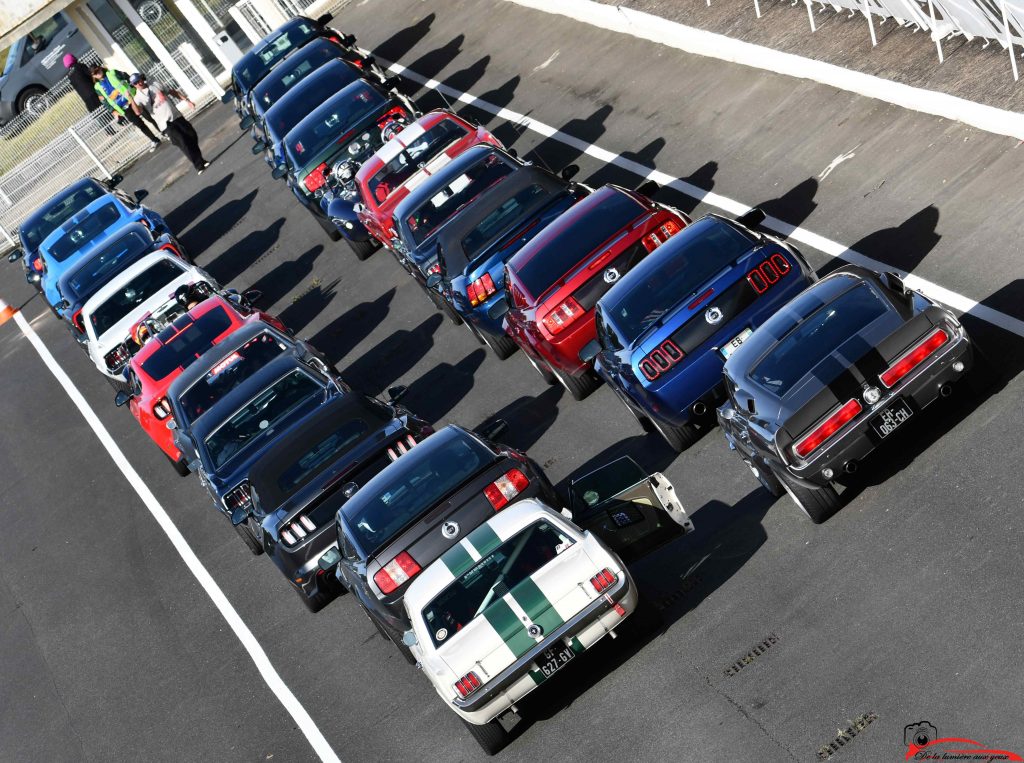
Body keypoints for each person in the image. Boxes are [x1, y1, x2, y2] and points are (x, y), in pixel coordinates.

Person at [130, 72, 210, 174]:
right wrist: (130, 98)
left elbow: (172, 92)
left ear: (142, 78)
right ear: (133, 85)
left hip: (176, 116)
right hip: (165, 124)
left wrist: (187, 100)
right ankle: (199, 166)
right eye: (135, 83)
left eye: (139, 80)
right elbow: (137, 112)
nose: (139, 83)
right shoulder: (138, 98)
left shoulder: (154, 85)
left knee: (192, 135)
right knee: (183, 142)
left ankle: (200, 160)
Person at [90, 66, 160, 149]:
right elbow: (104, 101)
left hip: (133, 99)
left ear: (100, 68)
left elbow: (128, 78)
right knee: (140, 124)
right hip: (123, 107)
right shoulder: (97, 87)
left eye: (97, 70)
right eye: (94, 73)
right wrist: (114, 112)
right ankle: (154, 140)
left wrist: (136, 89)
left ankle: (163, 131)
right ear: (93, 76)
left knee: (149, 117)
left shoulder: (113, 73)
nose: (98, 74)